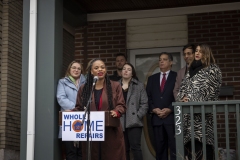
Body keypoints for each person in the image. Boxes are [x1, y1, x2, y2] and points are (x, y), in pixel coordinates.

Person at [73, 58, 126, 160]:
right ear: (91, 71)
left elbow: (121, 105)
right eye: (96, 68)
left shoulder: (115, 85)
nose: (100, 70)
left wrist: (116, 111)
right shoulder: (84, 88)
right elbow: (79, 108)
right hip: (92, 132)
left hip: (110, 131)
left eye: (102, 67)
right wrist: (70, 113)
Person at [176, 44, 222, 160]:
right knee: (189, 153)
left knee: (203, 152)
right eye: (196, 51)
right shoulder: (190, 71)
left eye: (200, 51)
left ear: (206, 54)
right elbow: (181, 90)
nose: (197, 53)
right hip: (188, 121)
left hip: (203, 120)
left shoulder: (213, 69)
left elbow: (209, 92)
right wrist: (182, 99)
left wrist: (190, 100)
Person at [146, 52, 177, 160]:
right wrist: (154, 109)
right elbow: (147, 98)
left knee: (174, 148)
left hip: (171, 118)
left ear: (171, 62)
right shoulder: (152, 79)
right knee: (160, 149)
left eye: (164, 59)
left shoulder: (176, 77)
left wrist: (170, 109)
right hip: (157, 119)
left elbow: (179, 96)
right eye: (160, 59)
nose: (161, 61)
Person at [56, 61, 86, 160]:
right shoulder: (62, 82)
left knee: (82, 152)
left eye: (78, 68)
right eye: (74, 68)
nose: (76, 70)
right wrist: (77, 108)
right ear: (69, 69)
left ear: (81, 71)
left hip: (83, 120)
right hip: (68, 120)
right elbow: (61, 98)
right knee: (71, 152)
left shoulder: (87, 82)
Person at [119, 63, 148, 160]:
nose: (126, 71)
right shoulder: (115, 86)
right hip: (120, 122)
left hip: (134, 122)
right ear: (121, 71)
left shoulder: (139, 85)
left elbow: (144, 104)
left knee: (136, 148)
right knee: (124, 149)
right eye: (124, 69)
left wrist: (137, 116)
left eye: (129, 69)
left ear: (132, 73)